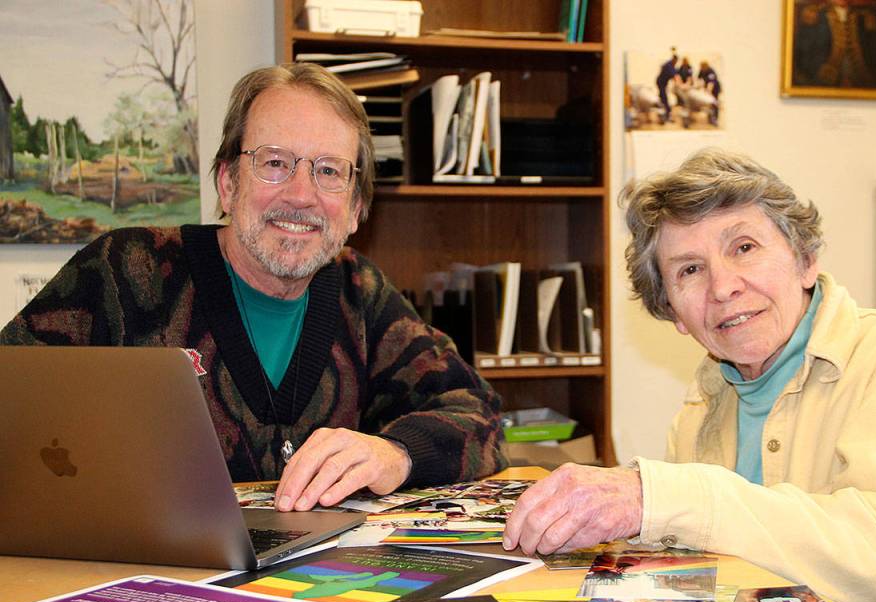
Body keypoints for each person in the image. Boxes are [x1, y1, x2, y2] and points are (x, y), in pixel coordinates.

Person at [503, 148, 876, 602]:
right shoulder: (704, 401)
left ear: (805, 259)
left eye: (745, 247)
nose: (724, 286)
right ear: (674, 313)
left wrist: (662, 497)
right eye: (689, 269)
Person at [0, 63, 507, 512]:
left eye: (329, 171)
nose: (301, 194)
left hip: (311, 595)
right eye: (274, 162)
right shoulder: (125, 270)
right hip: (133, 583)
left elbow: (478, 416)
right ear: (226, 183)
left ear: (355, 210)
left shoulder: (361, 294)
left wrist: (393, 453)